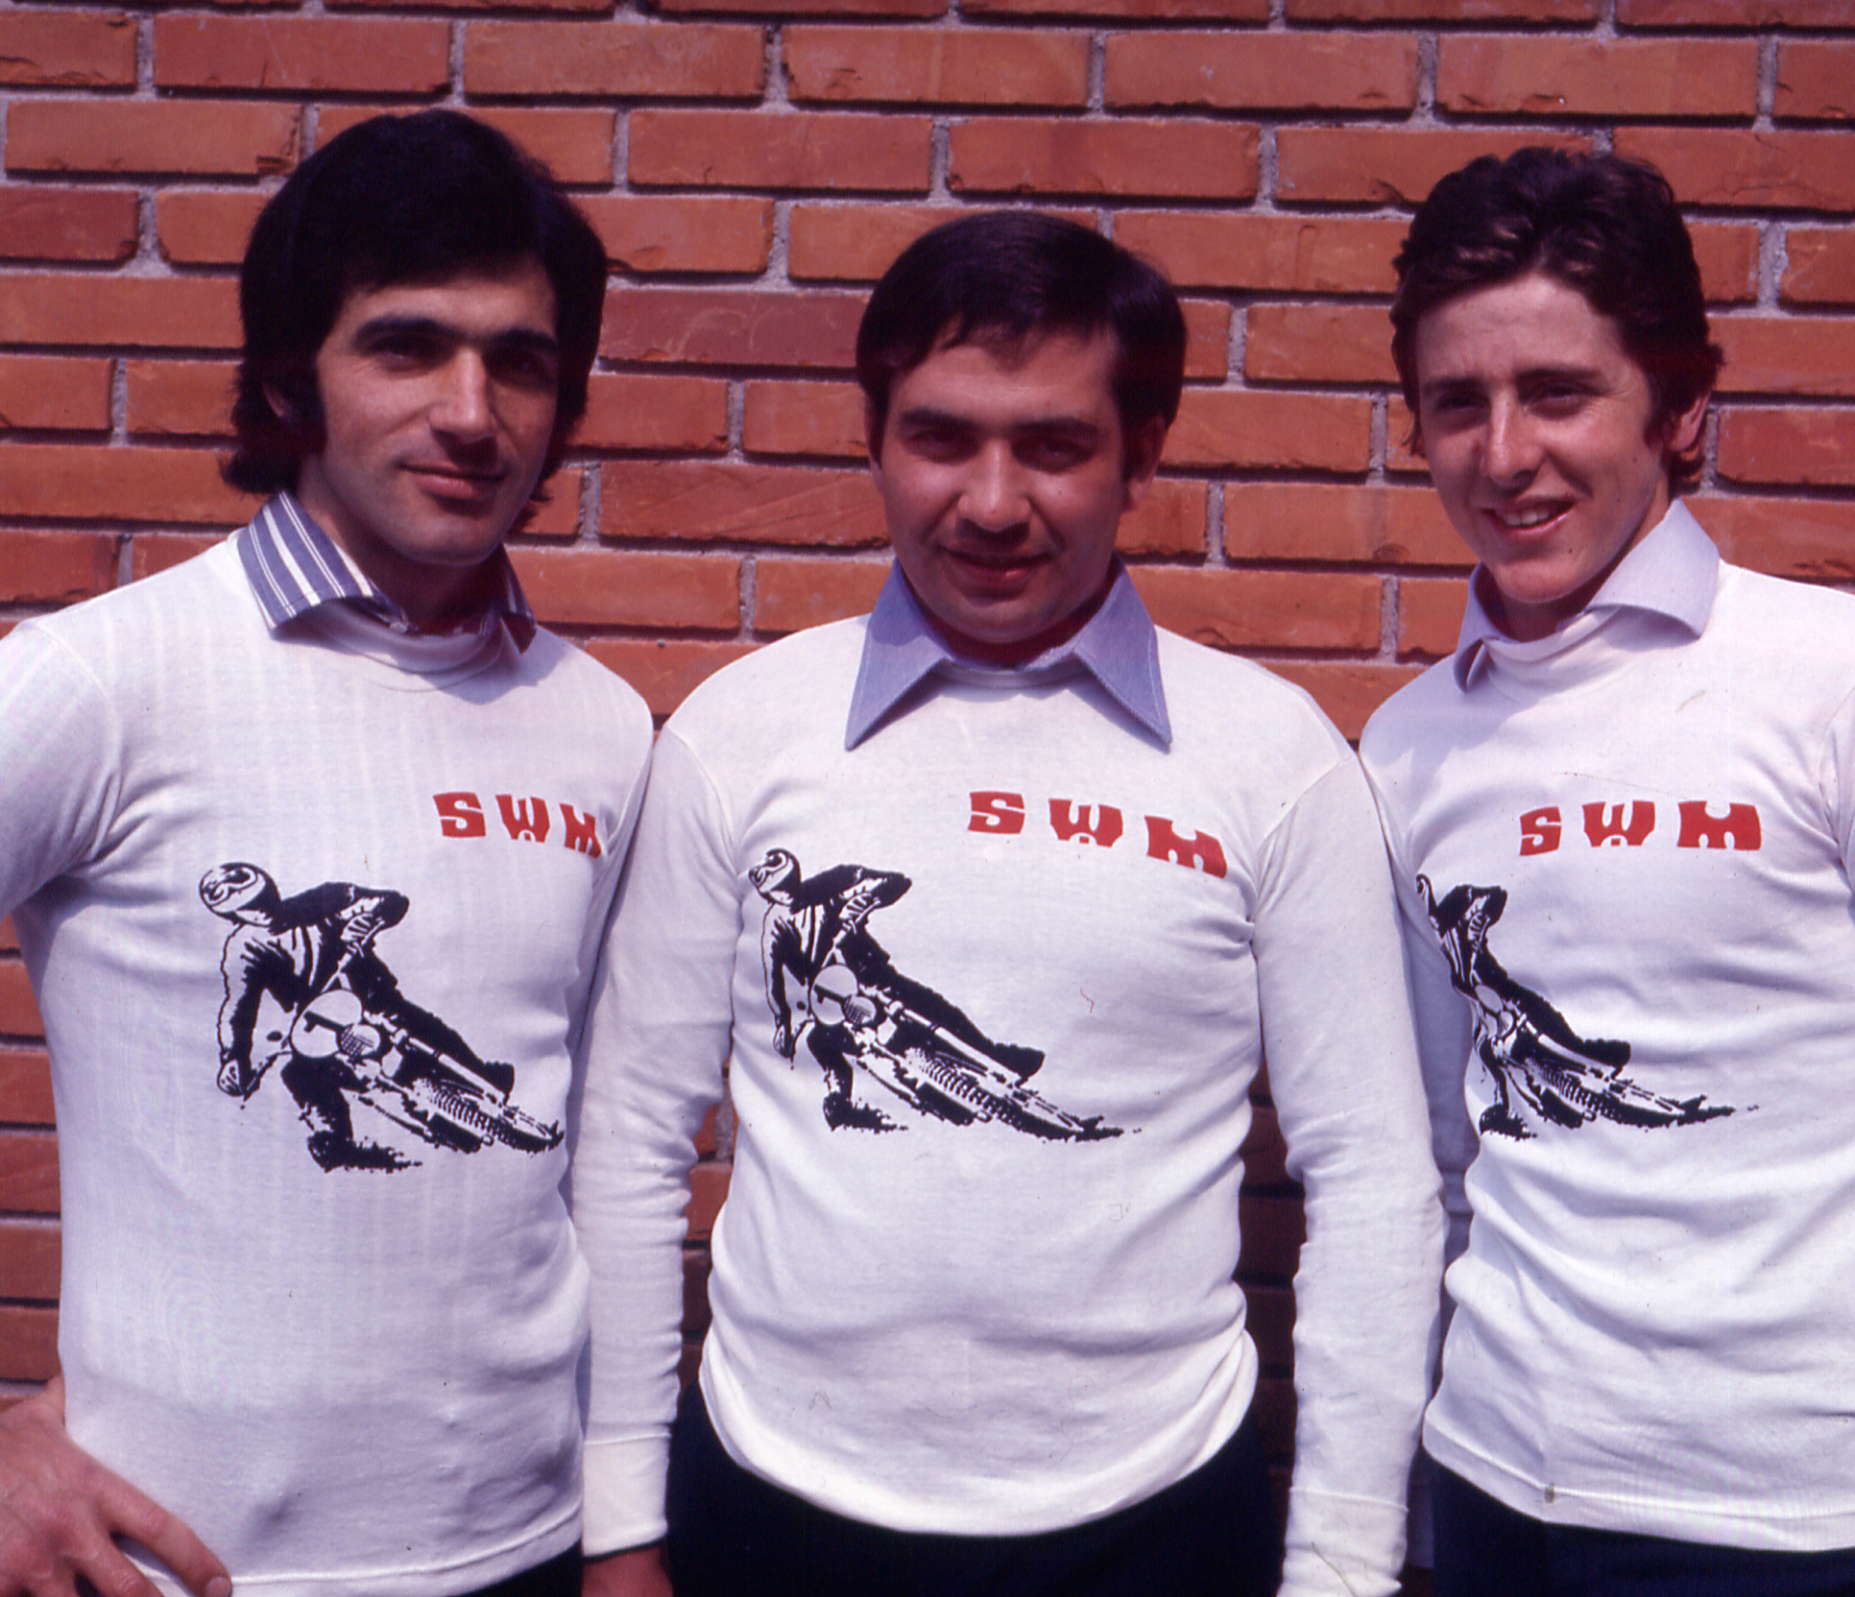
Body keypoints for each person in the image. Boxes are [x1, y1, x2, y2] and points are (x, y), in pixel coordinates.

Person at [575, 210, 1442, 1597]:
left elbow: (1376, 1178)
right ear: (874, 437)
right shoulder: (739, 734)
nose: (990, 502)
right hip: (776, 1508)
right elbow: (628, 1139)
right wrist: (620, 1519)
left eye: (1053, 445)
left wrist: (1341, 1567)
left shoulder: (1273, 759)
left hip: (1154, 1523)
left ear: (1141, 455)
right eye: (940, 437)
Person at [0, 110, 653, 1597]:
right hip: (185, 1570)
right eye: (407, 347)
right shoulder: (102, 680)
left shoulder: (602, 726)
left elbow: (603, 1149)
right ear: (294, 373)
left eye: (521, 361)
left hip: (530, 1553)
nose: (472, 412)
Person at [1360, 146, 1855, 1594]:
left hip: (1796, 1518)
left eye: (1559, 393)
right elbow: (1448, 1145)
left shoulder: (1826, 680)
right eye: (1459, 402)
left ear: (1680, 405)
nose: (1503, 454)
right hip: (1501, 1485)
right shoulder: (1409, 746)